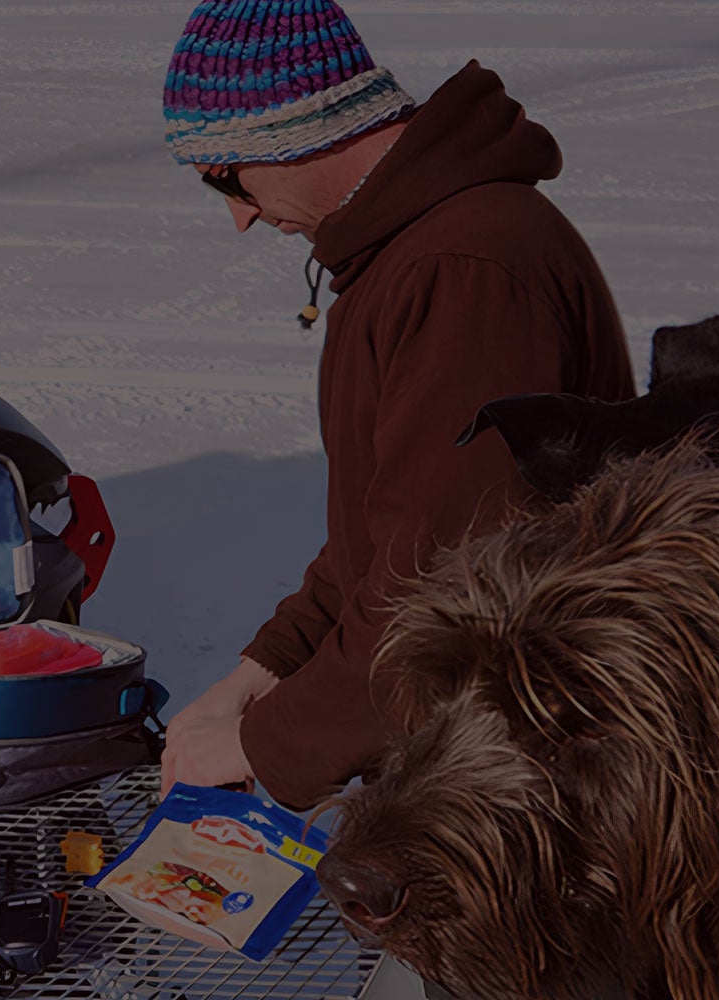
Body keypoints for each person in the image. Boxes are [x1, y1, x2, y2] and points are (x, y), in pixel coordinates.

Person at [152, 0, 640, 813]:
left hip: (535, 774)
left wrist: (264, 743)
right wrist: (260, 673)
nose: (237, 217)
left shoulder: (461, 271)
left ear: (297, 132)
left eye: (225, 177)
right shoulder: (410, 255)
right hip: (472, 742)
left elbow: (451, 586)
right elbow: (383, 539)